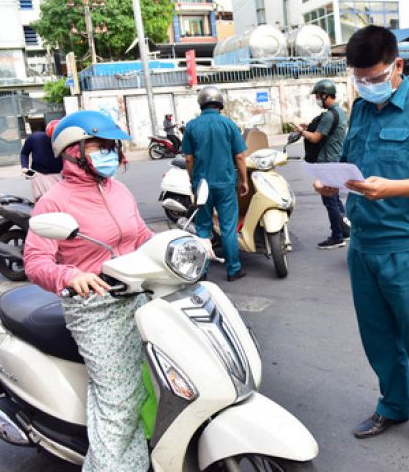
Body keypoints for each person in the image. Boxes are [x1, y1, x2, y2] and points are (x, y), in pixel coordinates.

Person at [314, 25, 409, 467]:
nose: (367, 85)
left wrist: (390, 189)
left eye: (374, 77)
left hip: (408, 245)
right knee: (378, 339)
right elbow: (354, 167)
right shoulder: (359, 109)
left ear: (397, 66)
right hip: (364, 244)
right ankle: (393, 406)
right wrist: (332, 184)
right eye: (359, 78)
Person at [23, 111, 153, 471]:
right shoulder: (55, 201)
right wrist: (69, 276)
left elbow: (141, 236)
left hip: (140, 294)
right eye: (99, 145)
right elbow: (36, 261)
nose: (109, 152)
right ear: (72, 150)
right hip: (94, 306)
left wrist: (178, 246)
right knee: (119, 401)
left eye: (111, 145)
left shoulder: (120, 190)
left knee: (159, 381)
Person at [181, 86, 248, 281]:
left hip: (202, 186)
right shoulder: (228, 124)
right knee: (228, 227)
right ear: (220, 104)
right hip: (226, 184)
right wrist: (244, 180)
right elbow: (240, 156)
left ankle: (202, 272)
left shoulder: (192, 126)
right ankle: (233, 269)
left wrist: (193, 181)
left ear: (201, 104)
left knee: (202, 229)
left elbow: (188, 159)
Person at [299, 78, 350, 249]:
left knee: (330, 200)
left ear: (325, 95)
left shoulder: (329, 115)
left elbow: (315, 138)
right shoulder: (340, 112)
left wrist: (301, 131)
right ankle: (345, 230)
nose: (317, 100)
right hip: (336, 159)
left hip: (327, 162)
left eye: (318, 96)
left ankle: (337, 236)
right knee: (335, 199)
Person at [20, 120, 63, 199]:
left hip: (60, 175)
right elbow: (24, 153)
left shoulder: (68, 143)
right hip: (37, 174)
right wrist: (24, 167)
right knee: (40, 200)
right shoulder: (35, 138)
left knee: (59, 200)